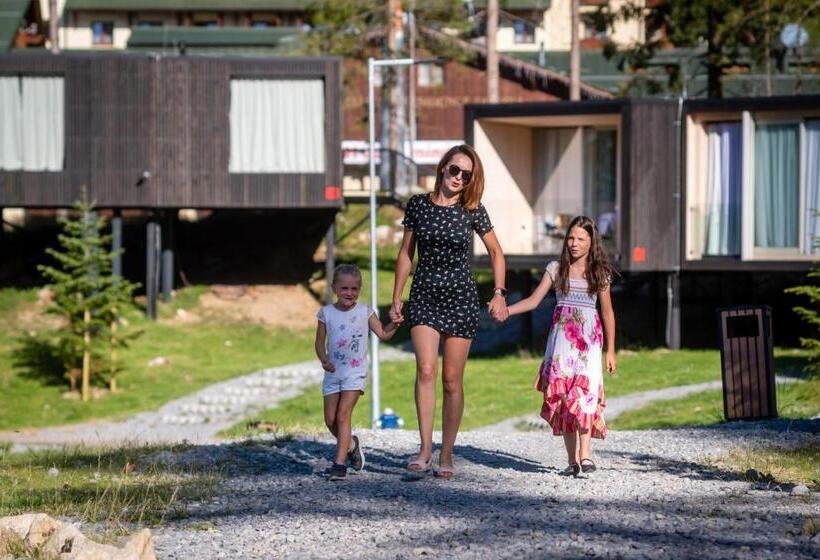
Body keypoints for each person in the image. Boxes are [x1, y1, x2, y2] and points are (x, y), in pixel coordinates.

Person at [390, 144, 507, 479]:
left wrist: (499, 294)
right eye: (455, 170)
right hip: (424, 296)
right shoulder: (418, 205)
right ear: (443, 167)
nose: (459, 178)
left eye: (466, 175)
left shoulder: (473, 209)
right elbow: (405, 254)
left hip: (461, 299)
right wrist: (397, 296)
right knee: (426, 370)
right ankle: (425, 450)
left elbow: (497, 253)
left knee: (452, 380)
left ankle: (446, 453)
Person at [499, 216, 616, 477]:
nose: (574, 243)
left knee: (585, 394)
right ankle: (572, 460)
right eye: (571, 238)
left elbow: (608, 313)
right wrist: (507, 310)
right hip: (562, 343)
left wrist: (611, 350)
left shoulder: (599, 273)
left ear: (591, 242)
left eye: (581, 239)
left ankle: (586, 454)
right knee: (564, 398)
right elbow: (533, 301)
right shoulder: (556, 269)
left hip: (588, 342)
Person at [316, 264, 402, 481]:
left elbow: (383, 334)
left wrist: (395, 324)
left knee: (343, 415)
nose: (349, 293)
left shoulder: (365, 312)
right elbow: (319, 342)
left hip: (355, 371)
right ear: (334, 288)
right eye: (344, 288)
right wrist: (324, 359)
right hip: (333, 372)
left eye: (354, 289)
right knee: (330, 420)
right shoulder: (326, 313)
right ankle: (352, 445)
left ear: (359, 289)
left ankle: (339, 465)